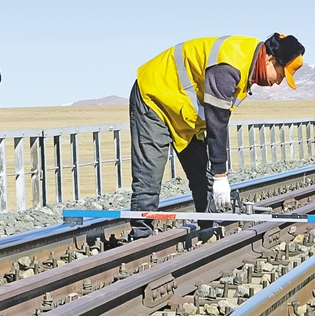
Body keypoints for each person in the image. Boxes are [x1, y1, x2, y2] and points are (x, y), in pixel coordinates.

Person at [129, 33, 305, 240]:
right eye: (281, 75)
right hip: (154, 99)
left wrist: (217, 175)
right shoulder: (229, 67)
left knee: (202, 177)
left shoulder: (249, 63)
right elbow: (217, 121)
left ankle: (208, 230)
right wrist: (220, 174)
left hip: (184, 114)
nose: (279, 82)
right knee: (149, 175)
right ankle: (140, 238)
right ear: (270, 59)